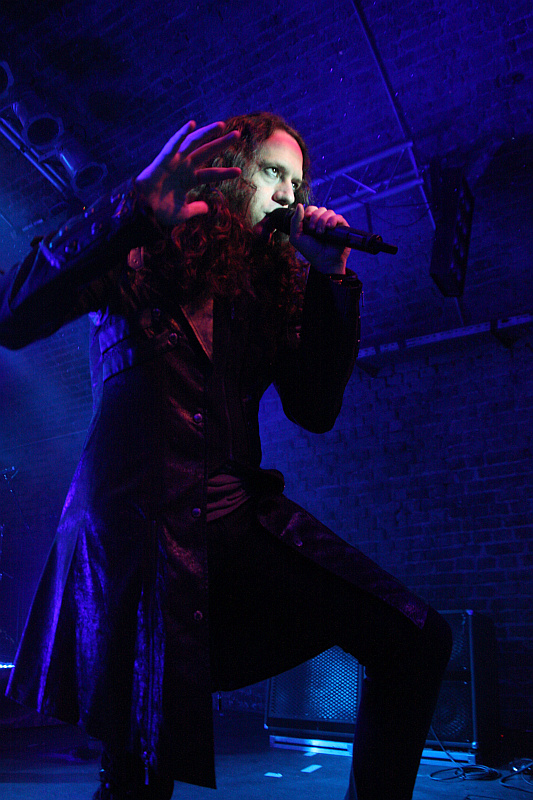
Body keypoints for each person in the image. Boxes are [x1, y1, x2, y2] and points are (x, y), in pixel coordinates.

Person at [0, 112, 452, 800]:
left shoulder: (269, 290)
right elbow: (12, 314)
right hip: (133, 546)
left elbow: (314, 409)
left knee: (415, 637)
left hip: (234, 528)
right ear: (231, 174)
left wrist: (330, 278)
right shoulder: (135, 252)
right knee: (138, 774)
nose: (288, 195)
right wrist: (131, 208)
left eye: (298, 182)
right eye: (273, 172)